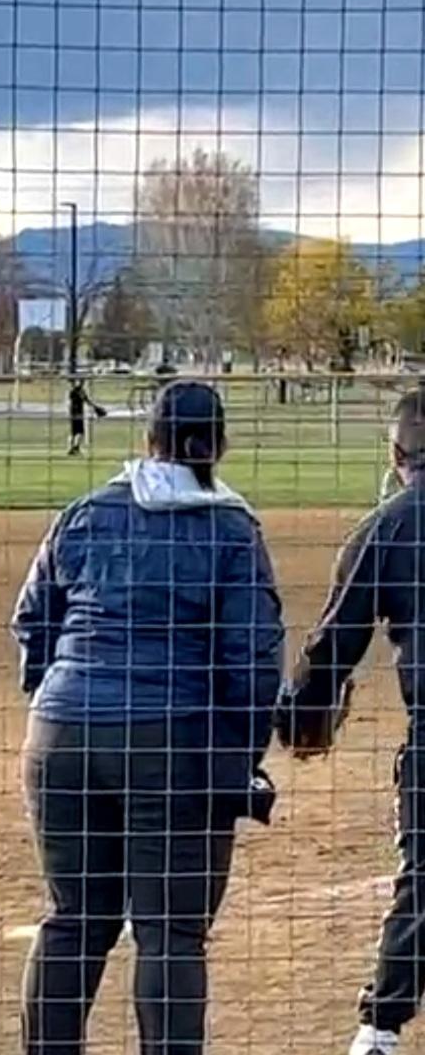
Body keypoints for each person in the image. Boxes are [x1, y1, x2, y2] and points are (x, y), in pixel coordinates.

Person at [11, 380, 284, 1055]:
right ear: (219, 444)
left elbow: (32, 623)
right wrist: (238, 760)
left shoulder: (83, 513)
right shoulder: (230, 529)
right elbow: (253, 659)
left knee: (74, 920)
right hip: (170, 738)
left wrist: (60, 698)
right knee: (170, 932)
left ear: (149, 438)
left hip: (60, 732)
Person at [278, 390, 425, 1055]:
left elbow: (335, 643)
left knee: (423, 881)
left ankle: (380, 1030)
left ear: (397, 456)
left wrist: (303, 720)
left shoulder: (387, 527)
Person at [66, 380, 104, 456]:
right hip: (77, 414)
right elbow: (86, 400)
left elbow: (84, 400)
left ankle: (71, 448)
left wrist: (96, 408)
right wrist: (96, 408)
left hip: (73, 414)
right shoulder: (79, 391)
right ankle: (75, 448)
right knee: (80, 432)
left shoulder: (72, 391)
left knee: (74, 432)